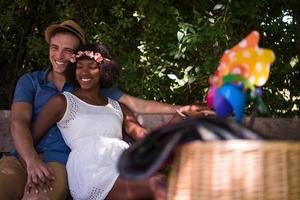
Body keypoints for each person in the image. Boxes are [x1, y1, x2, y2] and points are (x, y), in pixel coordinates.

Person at [0, 19, 213, 200]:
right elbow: (23, 125)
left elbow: (141, 120)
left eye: (69, 51)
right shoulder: (46, 91)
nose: (60, 55)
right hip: (55, 162)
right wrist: (30, 162)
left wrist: (182, 112)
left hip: (89, 164)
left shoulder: (105, 98)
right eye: (55, 48)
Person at [30, 43, 202, 200]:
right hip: (92, 170)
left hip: (123, 164)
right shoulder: (63, 101)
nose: (84, 72)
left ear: (103, 70)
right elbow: (31, 137)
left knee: (166, 182)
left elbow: (146, 138)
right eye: (79, 67)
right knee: (158, 183)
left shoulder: (117, 107)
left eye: (92, 67)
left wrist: (181, 114)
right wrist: (31, 164)